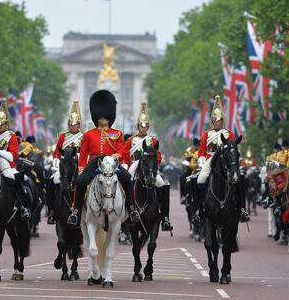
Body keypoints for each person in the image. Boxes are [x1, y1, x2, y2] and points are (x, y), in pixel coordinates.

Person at [67, 90, 140, 226]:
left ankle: (132, 210)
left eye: (105, 116)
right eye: (100, 116)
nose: (102, 118)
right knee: (80, 182)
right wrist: (82, 169)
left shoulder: (117, 134)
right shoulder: (89, 135)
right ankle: (75, 212)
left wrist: (111, 159)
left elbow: (121, 151)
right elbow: (83, 154)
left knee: (128, 182)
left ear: (109, 116)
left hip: (112, 164)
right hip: (94, 163)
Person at [193, 96, 248, 223]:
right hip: (210, 159)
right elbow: (202, 150)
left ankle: (242, 210)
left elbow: (234, 149)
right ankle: (198, 209)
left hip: (226, 161)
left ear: (223, 120)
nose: (216, 122)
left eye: (219, 120)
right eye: (214, 120)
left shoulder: (230, 134)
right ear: (212, 121)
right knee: (199, 179)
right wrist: (201, 162)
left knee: (239, 179)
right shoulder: (207, 134)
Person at [125, 102, 172, 231]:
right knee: (126, 182)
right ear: (138, 126)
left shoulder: (153, 140)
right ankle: (124, 214)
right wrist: (125, 165)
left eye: (145, 126)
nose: (143, 128)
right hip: (135, 163)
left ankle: (165, 218)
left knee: (162, 184)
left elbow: (158, 156)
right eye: (141, 125)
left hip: (149, 167)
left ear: (148, 127)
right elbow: (125, 155)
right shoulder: (131, 140)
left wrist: (154, 164)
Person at [0, 99, 31, 221]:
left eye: (2, 123)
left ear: (6, 124)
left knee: (13, 180)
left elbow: (13, 156)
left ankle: (23, 207)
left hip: (7, 164)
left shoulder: (11, 137)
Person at [50, 101, 84, 224]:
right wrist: (55, 166)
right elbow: (56, 153)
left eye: (74, 124)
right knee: (51, 180)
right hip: (64, 167)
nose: (72, 126)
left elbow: (87, 154)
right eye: (70, 123)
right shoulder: (63, 137)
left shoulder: (83, 137)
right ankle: (52, 211)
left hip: (78, 167)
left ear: (79, 125)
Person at [180, 138, 200, 203]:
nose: (196, 147)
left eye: (197, 146)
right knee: (182, 178)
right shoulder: (189, 151)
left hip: (199, 170)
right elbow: (183, 159)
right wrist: (188, 161)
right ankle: (183, 196)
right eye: (195, 146)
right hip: (190, 170)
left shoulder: (201, 151)